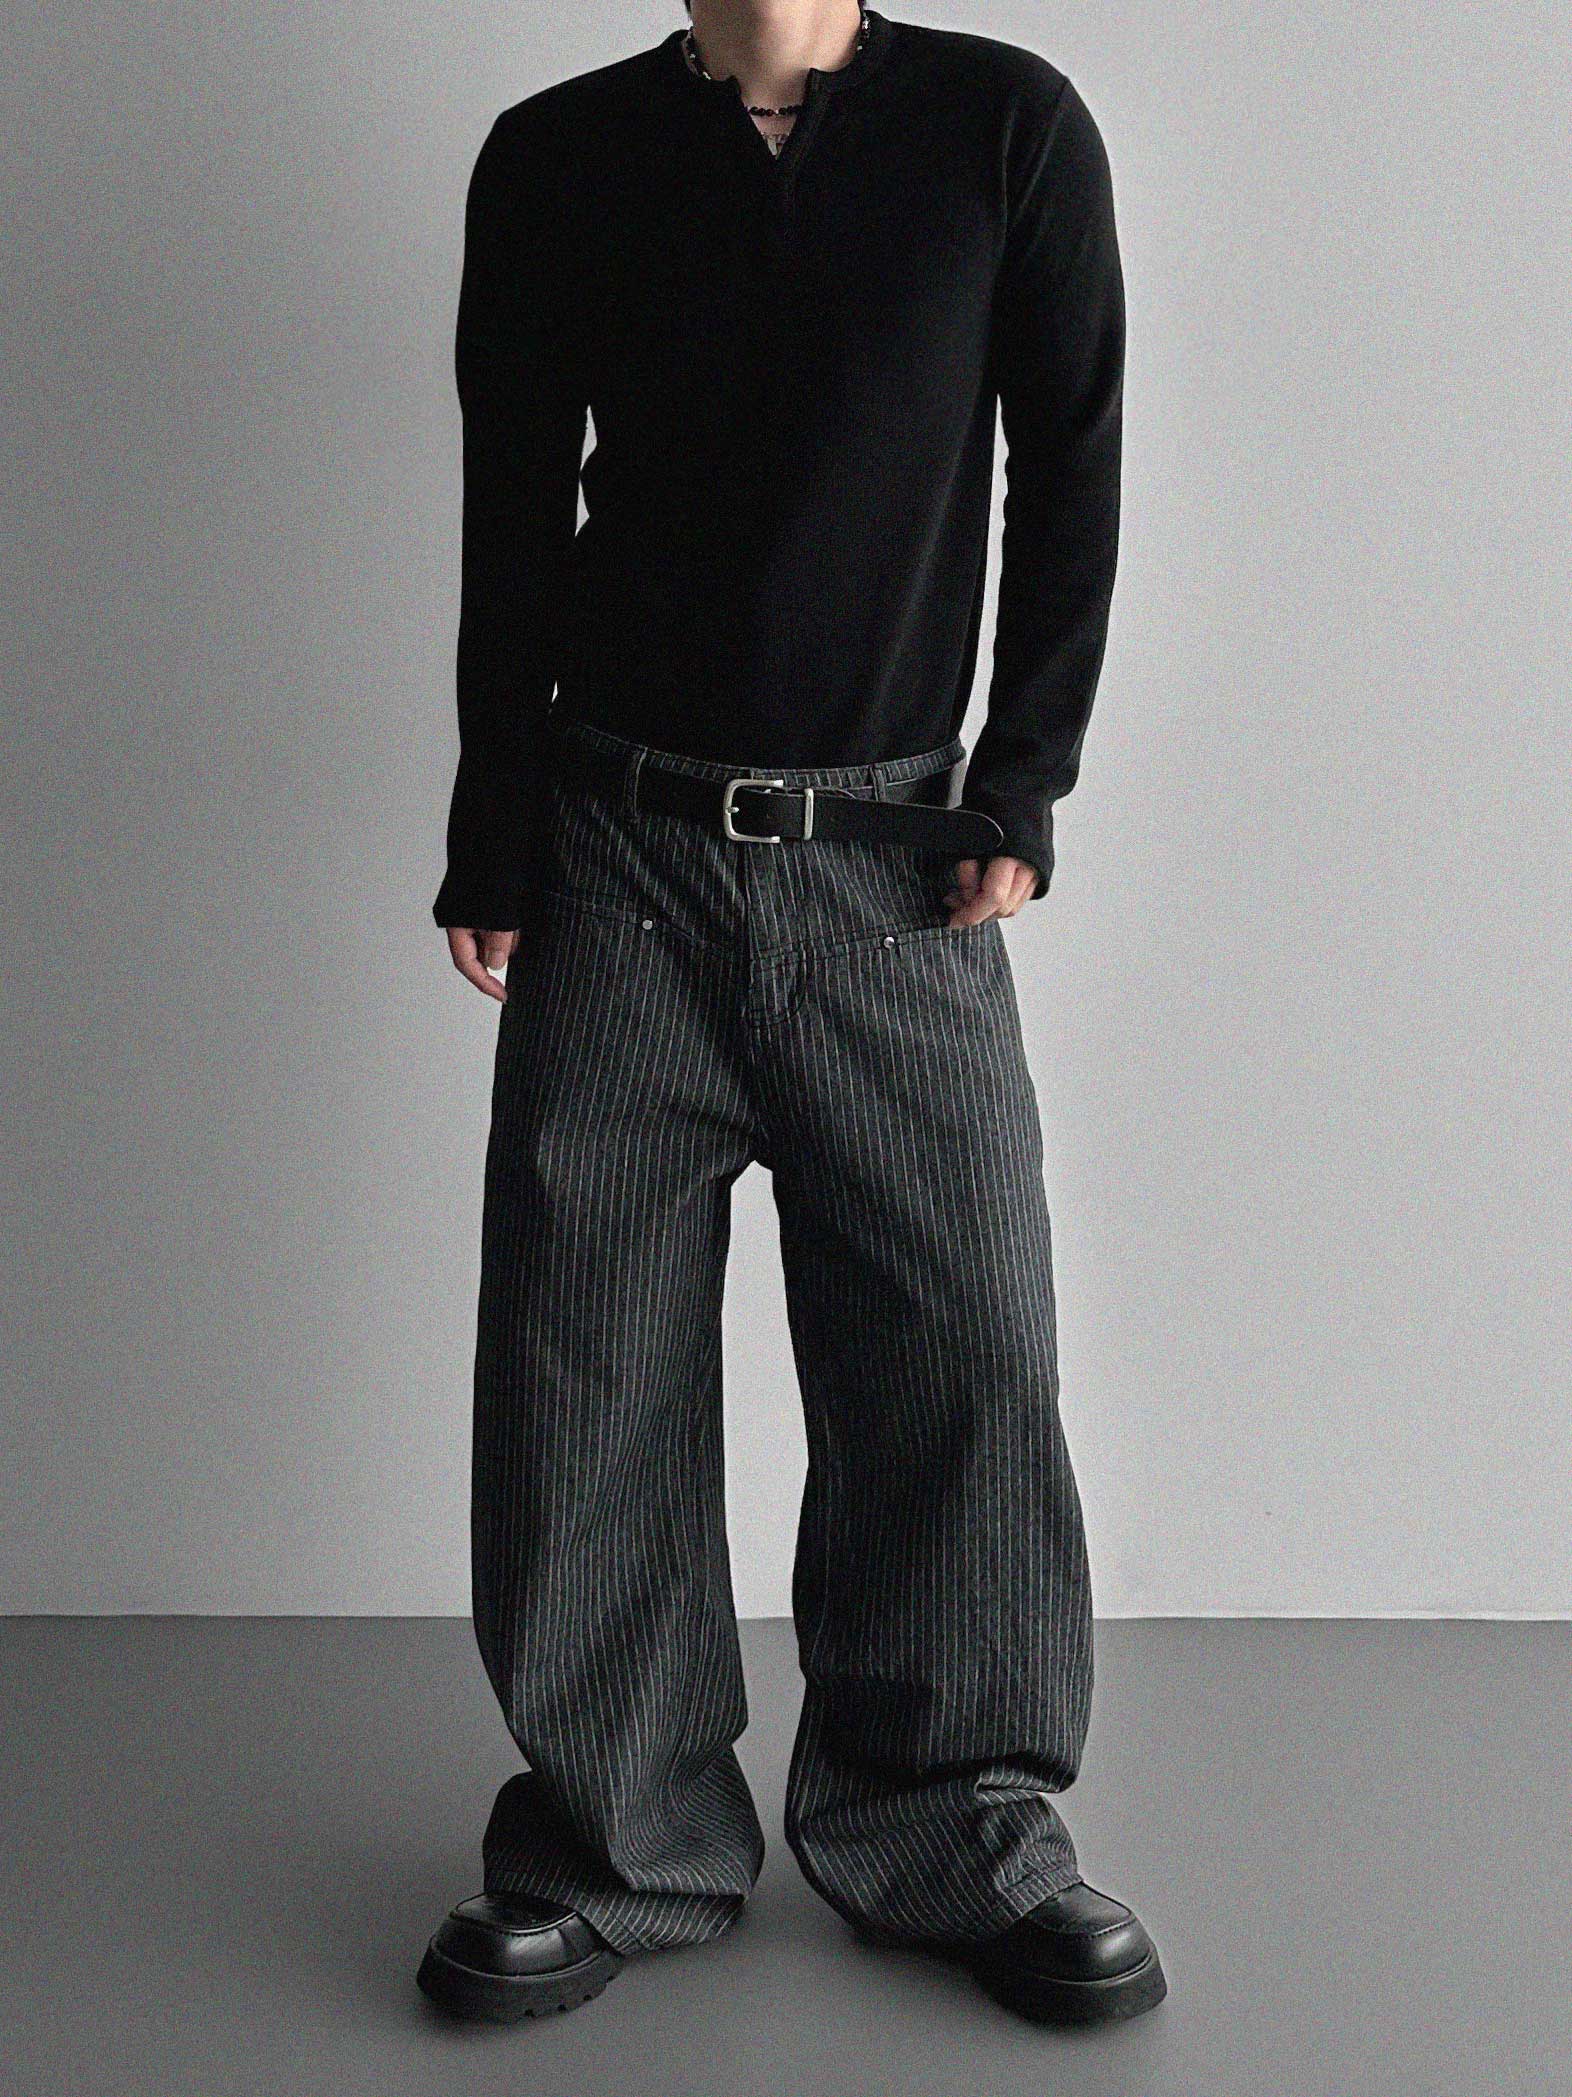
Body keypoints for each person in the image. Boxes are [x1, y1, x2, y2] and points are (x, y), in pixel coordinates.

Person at [417, 0, 1166, 2030]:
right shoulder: (558, 155)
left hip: (893, 866)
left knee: (961, 1337)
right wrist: (495, 832)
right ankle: (616, 1835)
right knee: (586, 1356)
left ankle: (958, 1818)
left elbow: (1072, 455)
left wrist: (1024, 779)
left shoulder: (1001, 129)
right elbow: (512, 507)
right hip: (619, 857)